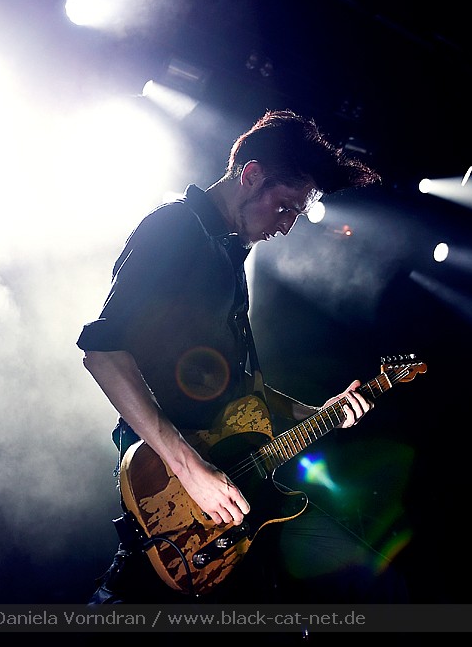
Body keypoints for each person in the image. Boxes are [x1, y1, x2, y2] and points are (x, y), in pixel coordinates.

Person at [77, 109, 406, 604]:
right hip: (170, 479)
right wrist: (191, 470)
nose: (286, 227)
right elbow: (103, 351)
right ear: (250, 175)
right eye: (285, 207)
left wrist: (317, 413)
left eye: (296, 215)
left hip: (230, 470)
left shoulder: (229, 253)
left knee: (370, 582)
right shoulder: (174, 229)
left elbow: (236, 385)